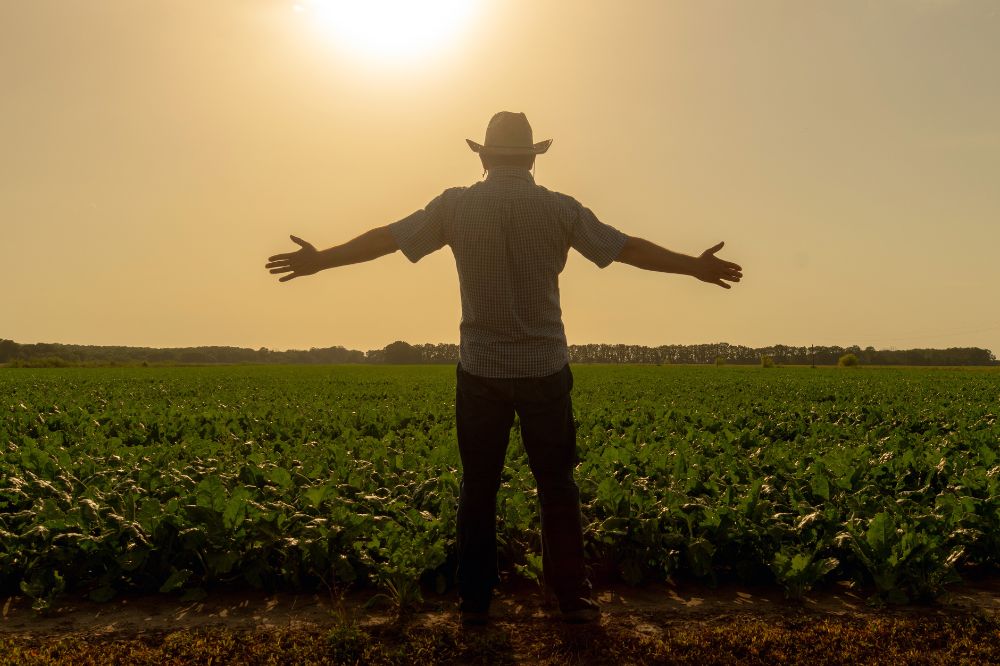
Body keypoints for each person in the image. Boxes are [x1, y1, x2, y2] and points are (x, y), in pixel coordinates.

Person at [265, 111, 742, 626]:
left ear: (485, 158)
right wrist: (692, 266)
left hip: (481, 370)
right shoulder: (560, 209)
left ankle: (475, 602)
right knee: (556, 485)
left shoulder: (456, 206)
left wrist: (322, 260)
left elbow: (387, 238)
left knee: (479, 485)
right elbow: (625, 249)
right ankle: (573, 600)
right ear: (533, 158)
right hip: (545, 367)